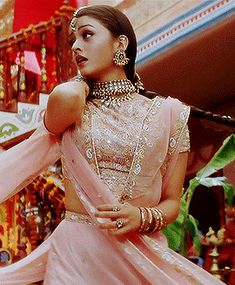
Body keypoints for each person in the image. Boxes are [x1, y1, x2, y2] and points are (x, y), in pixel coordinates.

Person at [0, 5, 226, 285]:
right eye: (73, 40)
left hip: (139, 255)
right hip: (76, 255)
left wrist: (141, 216)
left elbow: (171, 202)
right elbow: (66, 95)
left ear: (121, 43)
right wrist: (82, 82)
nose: (76, 47)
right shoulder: (73, 105)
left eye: (87, 35)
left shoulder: (170, 115)